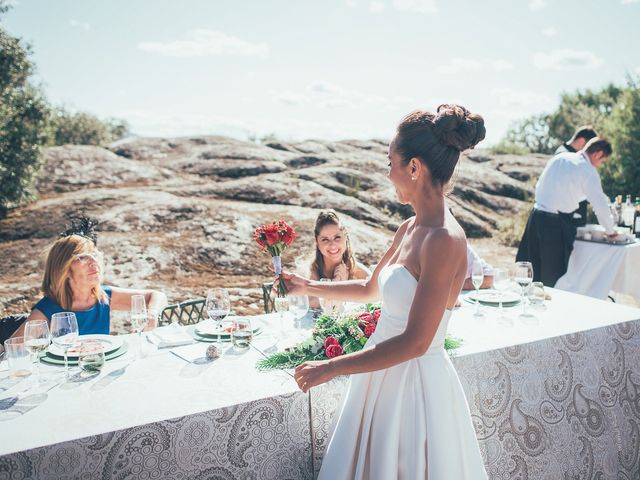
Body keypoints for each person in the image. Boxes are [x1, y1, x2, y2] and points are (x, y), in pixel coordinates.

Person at [283, 104, 488, 479]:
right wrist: (307, 285)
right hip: (377, 378)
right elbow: (369, 288)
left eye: (390, 161)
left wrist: (330, 367)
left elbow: (414, 343)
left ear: (414, 167)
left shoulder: (444, 239)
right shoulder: (408, 228)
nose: (388, 171)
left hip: (415, 392)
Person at [11, 233, 167, 338]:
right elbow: (12, 349)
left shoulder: (103, 297)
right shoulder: (48, 309)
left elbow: (157, 296)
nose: (94, 262)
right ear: (64, 269)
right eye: (82, 258)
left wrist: (152, 315)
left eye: (94, 255)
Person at [516, 137, 616, 287]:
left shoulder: (560, 158)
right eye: (603, 161)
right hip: (554, 224)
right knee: (552, 275)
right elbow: (599, 205)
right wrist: (610, 230)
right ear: (598, 154)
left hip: (535, 217)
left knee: (533, 269)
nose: (601, 165)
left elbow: (542, 185)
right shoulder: (588, 171)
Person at [308, 210, 370, 310]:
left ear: (345, 237)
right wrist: (339, 285)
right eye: (325, 239)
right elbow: (314, 307)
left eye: (337, 237)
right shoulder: (312, 272)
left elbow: (378, 301)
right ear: (317, 242)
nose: (332, 245)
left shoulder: (359, 271)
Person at [554, 126, 598, 227]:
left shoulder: (573, 155)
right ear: (582, 141)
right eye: (590, 148)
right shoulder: (563, 154)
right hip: (565, 218)